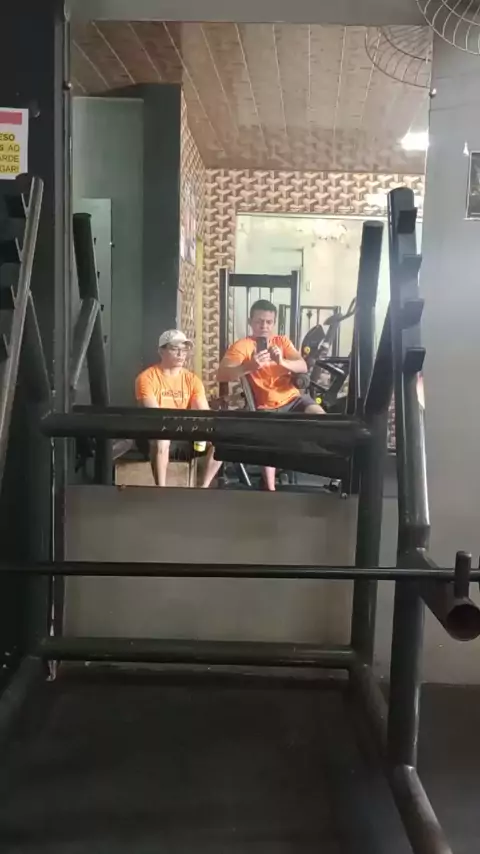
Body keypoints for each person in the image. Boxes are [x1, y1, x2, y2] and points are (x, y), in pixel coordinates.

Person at [202, 299, 325, 491]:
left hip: (293, 400)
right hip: (265, 407)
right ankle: (268, 489)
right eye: (259, 321)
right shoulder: (242, 346)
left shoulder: (282, 342)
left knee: (323, 419)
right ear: (250, 322)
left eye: (269, 322)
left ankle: (336, 476)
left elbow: (302, 366)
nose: (264, 326)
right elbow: (222, 374)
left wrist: (282, 361)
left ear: (273, 323)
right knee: (235, 438)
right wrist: (250, 366)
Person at [135, 330, 217, 487]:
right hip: (153, 436)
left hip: (184, 435)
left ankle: (203, 488)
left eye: (184, 349)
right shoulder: (147, 378)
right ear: (161, 351)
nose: (181, 354)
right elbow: (156, 416)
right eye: (174, 349)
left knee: (220, 442)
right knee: (162, 438)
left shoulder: (192, 380)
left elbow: (203, 413)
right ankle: (161, 489)